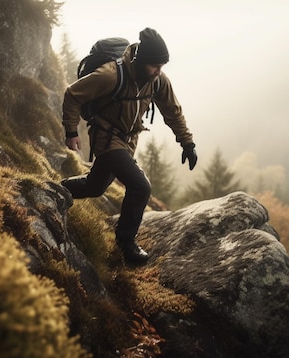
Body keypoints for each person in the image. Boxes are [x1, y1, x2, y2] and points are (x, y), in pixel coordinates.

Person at [61, 28, 197, 265]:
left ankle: (58, 191)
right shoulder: (111, 75)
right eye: (154, 65)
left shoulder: (157, 81)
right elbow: (73, 94)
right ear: (141, 60)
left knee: (95, 187)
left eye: (162, 66)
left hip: (128, 140)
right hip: (106, 137)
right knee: (140, 186)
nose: (158, 71)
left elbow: (172, 112)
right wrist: (71, 131)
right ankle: (126, 244)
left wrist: (187, 142)